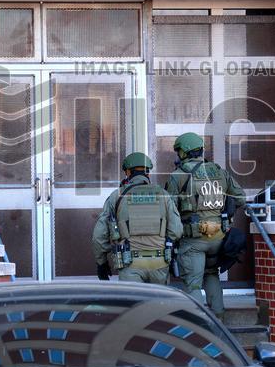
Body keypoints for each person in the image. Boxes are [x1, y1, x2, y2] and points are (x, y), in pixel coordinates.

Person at [165, 132, 245, 319]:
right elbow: (240, 197)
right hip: (218, 237)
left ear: (184, 152)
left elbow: (168, 208)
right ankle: (220, 320)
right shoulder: (219, 171)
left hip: (193, 240)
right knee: (211, 275)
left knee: (193, 283)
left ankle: (199, 326)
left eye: (179, 152)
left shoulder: (178, 176)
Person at [92, 152, 182, 284]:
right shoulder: (163, 195)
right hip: (159, 263)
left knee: (134, 304)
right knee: (160, 304)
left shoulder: (117, 196)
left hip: (129, 264)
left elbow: (98, 236)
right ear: (148, 173)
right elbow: (177, 230)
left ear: (128, 172)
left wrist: (101, 263)